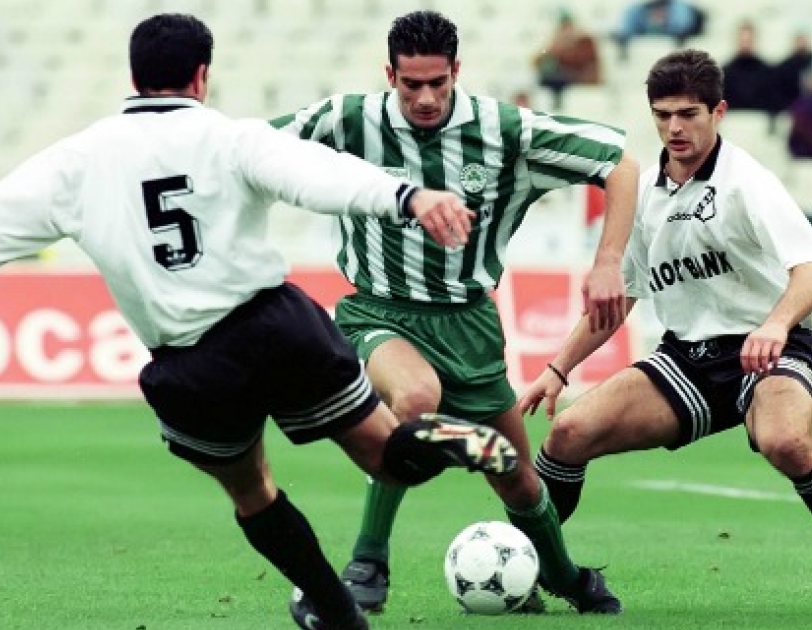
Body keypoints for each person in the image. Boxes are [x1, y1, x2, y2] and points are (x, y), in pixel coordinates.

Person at [0, 13, 524, 630]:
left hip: (192, 364)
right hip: (277, 327)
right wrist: (406, 197)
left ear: (134, 76)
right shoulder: (232, 137)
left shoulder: (78, 160)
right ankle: (450, 438)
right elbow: (318, 175)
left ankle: (338, 613)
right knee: (384, 453)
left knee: (253, 491)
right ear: (202, 75)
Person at [518, 49, 812, 624]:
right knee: (569, 432)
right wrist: (558, 368)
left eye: (688, 114)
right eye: (663, 115)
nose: (674, 128)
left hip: (771, 348)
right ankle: (532, 571)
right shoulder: (644, 192)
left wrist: (775, 324)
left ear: (718, 112)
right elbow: (621, 296)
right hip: (688, 360)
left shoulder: (748, 183)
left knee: (786, 442)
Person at [272, 10, 639, 616]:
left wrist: (608, 262)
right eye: (410, 84)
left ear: (456, 72)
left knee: (518, 479)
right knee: (415, 397)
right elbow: (248, 151)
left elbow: (620, 164)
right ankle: (368, 561)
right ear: (389, 74)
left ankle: (565, 575)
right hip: (378, 313)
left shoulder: (505, 130)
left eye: (437, 83)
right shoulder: (348, 120)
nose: (424, 97)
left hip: (468, 326)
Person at [533, 7, 603, 111]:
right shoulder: (563, 40)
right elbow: (537, 60)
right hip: (572, 75)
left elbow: (578, 60)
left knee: (552, 78)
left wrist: (557, 49)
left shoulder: (583, 39)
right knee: (546, 76)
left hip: (583, 77)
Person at [612, 0, 706, 60]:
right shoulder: (636, 10)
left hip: (676, 32)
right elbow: (625, 27)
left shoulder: (679, 8)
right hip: (646, 30)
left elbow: (683, 24)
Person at [721, 20, 775, 116]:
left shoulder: (767, 72)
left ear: (754, 41)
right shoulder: (725, 73)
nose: (745, 45)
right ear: (736, 41)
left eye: (748, 41)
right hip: (733, 120)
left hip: (759, 120)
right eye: (742, 41)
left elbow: (772, 103)